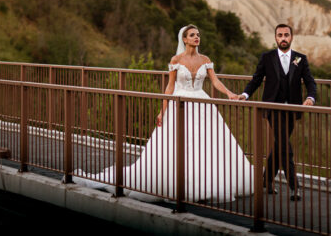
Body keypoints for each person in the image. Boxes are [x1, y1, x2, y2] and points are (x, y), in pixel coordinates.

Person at [76, 25, 254, 202]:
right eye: (192, 35)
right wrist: (162, 111)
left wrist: (230, 94)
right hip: (179, 102)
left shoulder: (205, 59)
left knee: (205, 143)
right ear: (184, 39)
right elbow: (169, 87)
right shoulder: (176, 60)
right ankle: (178, 183)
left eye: (198, 34)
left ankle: (205, 182)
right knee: (178, 143)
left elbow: (215, 81)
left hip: (201, 103)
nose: (196, 37)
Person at [238, 23, 316, 201]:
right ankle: (294, 187)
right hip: (273, 108)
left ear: (291, 37)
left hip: (292, 108)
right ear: (275, 38)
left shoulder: (300, 59)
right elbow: (256, 79)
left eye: (286, 35)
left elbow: (310, 82)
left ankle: (266, 180)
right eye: (280, 35)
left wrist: (310, 98)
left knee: (280, 145)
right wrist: (245, 94)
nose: (283, 38)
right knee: (285, 148)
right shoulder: (267, 57)